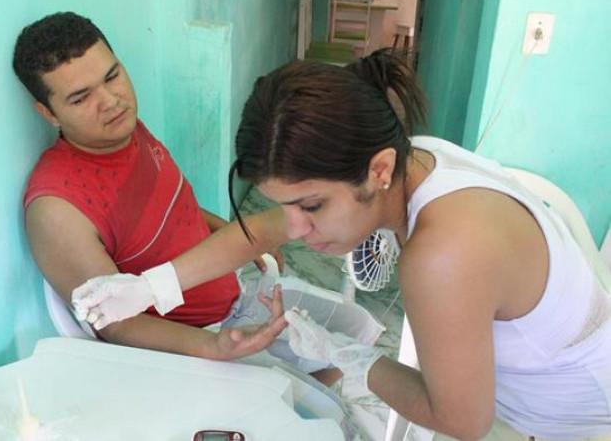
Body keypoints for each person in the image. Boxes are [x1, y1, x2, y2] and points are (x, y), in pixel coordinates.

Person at [74, 49, 611, 439]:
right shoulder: (413, 156)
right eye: (285, 206)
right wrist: (149, 286)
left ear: (378, 169)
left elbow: (460, 420)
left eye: (311, 207)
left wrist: (343, 353)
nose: (296, 228)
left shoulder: (443, 253)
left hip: (575, 416)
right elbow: (261, 231)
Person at [12, 12, 373, 378]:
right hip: (192, 346)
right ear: (48, 113)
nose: (110, 101)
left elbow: (174, 207)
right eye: (80, 98)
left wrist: (235, 237)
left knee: (355, 331)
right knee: (309, 391)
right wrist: (215, 347)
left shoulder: (125, 131)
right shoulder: (57, 208)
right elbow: (116, 325)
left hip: (236, 296)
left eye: (112, 76)